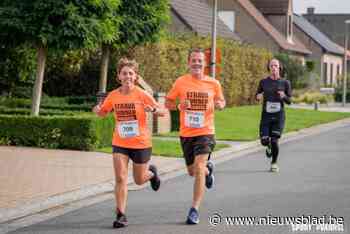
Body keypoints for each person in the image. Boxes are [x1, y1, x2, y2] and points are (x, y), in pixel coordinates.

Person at [93, 58, 164, 228]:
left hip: (141, 143)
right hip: (120, 142)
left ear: (136, 76)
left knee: (139, 180)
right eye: (124, 73)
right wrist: (96, 110)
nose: (128, 76)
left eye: (131, 73)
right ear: (119, 76)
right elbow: (102, 113)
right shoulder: (113, 95)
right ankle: (121, 214)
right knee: (120, 177)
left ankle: (152, 174)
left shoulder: (141, 93)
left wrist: (153, 109)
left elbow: (162, 112)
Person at [165, 48, 225, 225]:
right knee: (193, 172)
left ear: (205, 63)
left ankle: (194, 210)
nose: (197, 63)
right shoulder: (181, 82)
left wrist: (219, 104)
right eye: (194, 60)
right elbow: (168, 102)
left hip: (206, 132)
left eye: (200, 60)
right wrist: (179, 106)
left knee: (198, 168)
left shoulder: (214, 83)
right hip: (186, 133)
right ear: (188, 63)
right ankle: (208, 171)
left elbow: (221, 101)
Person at [256, 58, 292, 173]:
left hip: (279, 116)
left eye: (275, 66)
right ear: (269, 68)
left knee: (275, 140)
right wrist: (258, 97)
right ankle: (268, 146)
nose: (273, 68)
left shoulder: (285, 83)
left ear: (279, 68)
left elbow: (289, 101)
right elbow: (257, 95)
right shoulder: (263, 82)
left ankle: (274, 163)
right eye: (271, 66)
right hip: (266, 116)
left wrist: (284, 96)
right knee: (265, 141)